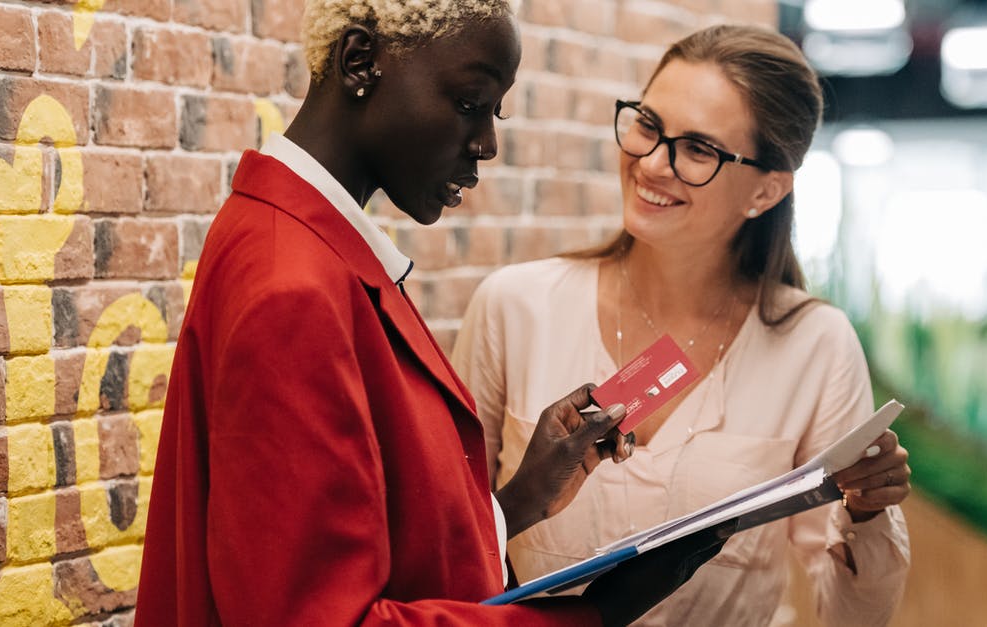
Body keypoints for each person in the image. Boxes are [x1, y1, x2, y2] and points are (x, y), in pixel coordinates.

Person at [134, 2, 730, 625]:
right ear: (360, 61)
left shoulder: (291, 238)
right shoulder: (295, 287)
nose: (488, 143)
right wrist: (598, 613)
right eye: (471, 103)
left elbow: (363, 549)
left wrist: (518, 502)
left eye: (494, 112)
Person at [453, 24, 912, 626]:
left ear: (766, 191)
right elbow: (448, 548)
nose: (651, 162)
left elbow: (852, 616)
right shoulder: (516, 307)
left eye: (698, 149)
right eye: (647, 124)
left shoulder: (814, 345)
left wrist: (868, 511)